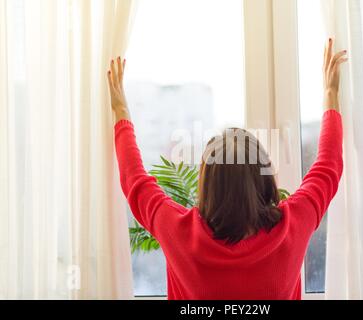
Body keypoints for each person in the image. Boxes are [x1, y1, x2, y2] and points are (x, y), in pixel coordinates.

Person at [107, 38, 346, 300]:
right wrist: (330, 95)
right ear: (262, 178)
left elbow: (134, 180)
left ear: (208, 185)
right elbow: (328, 166)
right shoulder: (293, 224)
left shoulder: (177, 230)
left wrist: (120, 111)